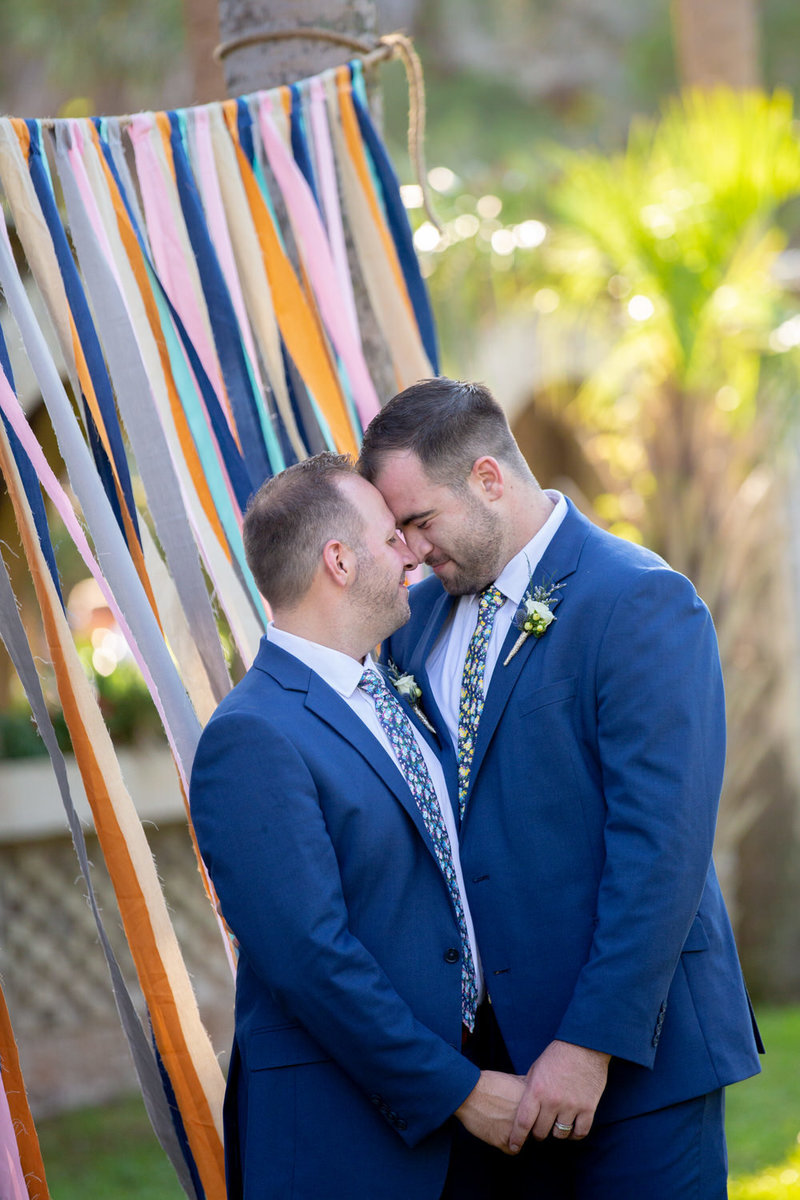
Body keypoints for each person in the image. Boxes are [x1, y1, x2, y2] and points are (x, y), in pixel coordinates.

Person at [359, 377, 763, 1199]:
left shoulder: (639, 600)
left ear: (487, 478)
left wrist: (590, 1045)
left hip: (637, 1062)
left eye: (418, 521)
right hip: (488, 1081)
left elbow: (663, 849)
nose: (407, 549)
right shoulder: (417, 622)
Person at [189, 452, 526, 1200]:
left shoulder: (389, 692)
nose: (411, 549)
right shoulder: (252, 736)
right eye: (388, 537)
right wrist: (461, 1091)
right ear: (338, 561)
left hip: (465, 1119)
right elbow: (311, 959)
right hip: (346, 1138)